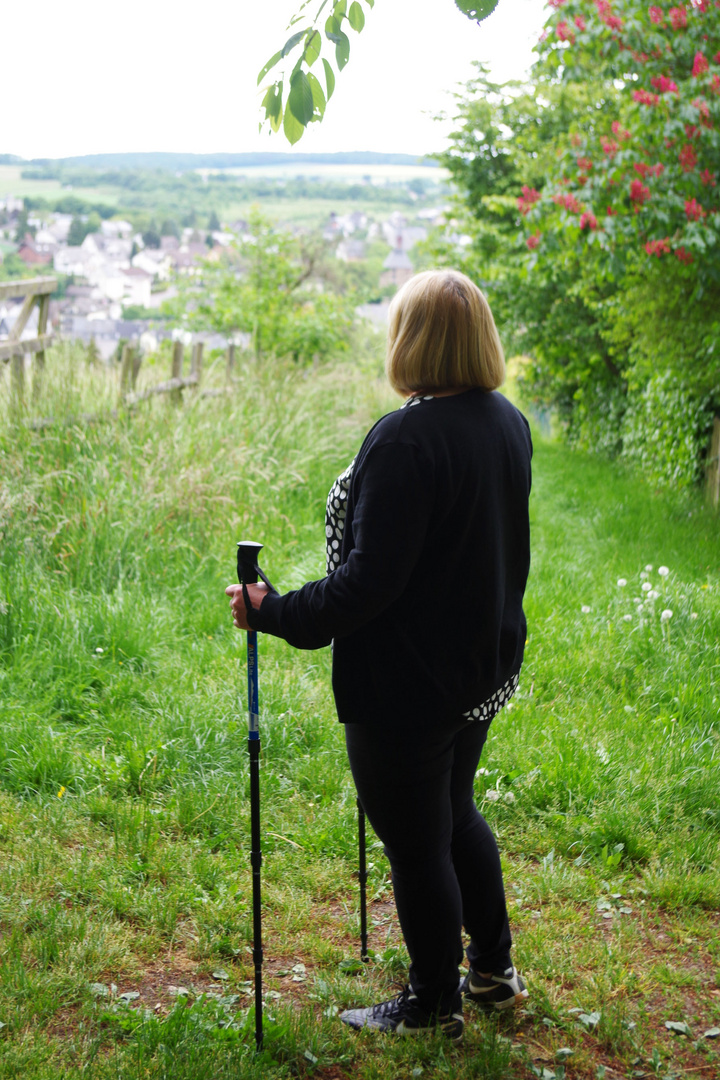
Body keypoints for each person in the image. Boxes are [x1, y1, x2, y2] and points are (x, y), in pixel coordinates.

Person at [226, 269, 532, 1042]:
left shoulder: (407, 438)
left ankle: (434, 1003)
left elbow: (366, 587)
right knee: (455, 812)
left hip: (408, 685)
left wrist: (273, 612)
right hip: (478, 668)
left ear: (412, 339)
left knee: (416, 841)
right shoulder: (504, 420)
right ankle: (492, 971)